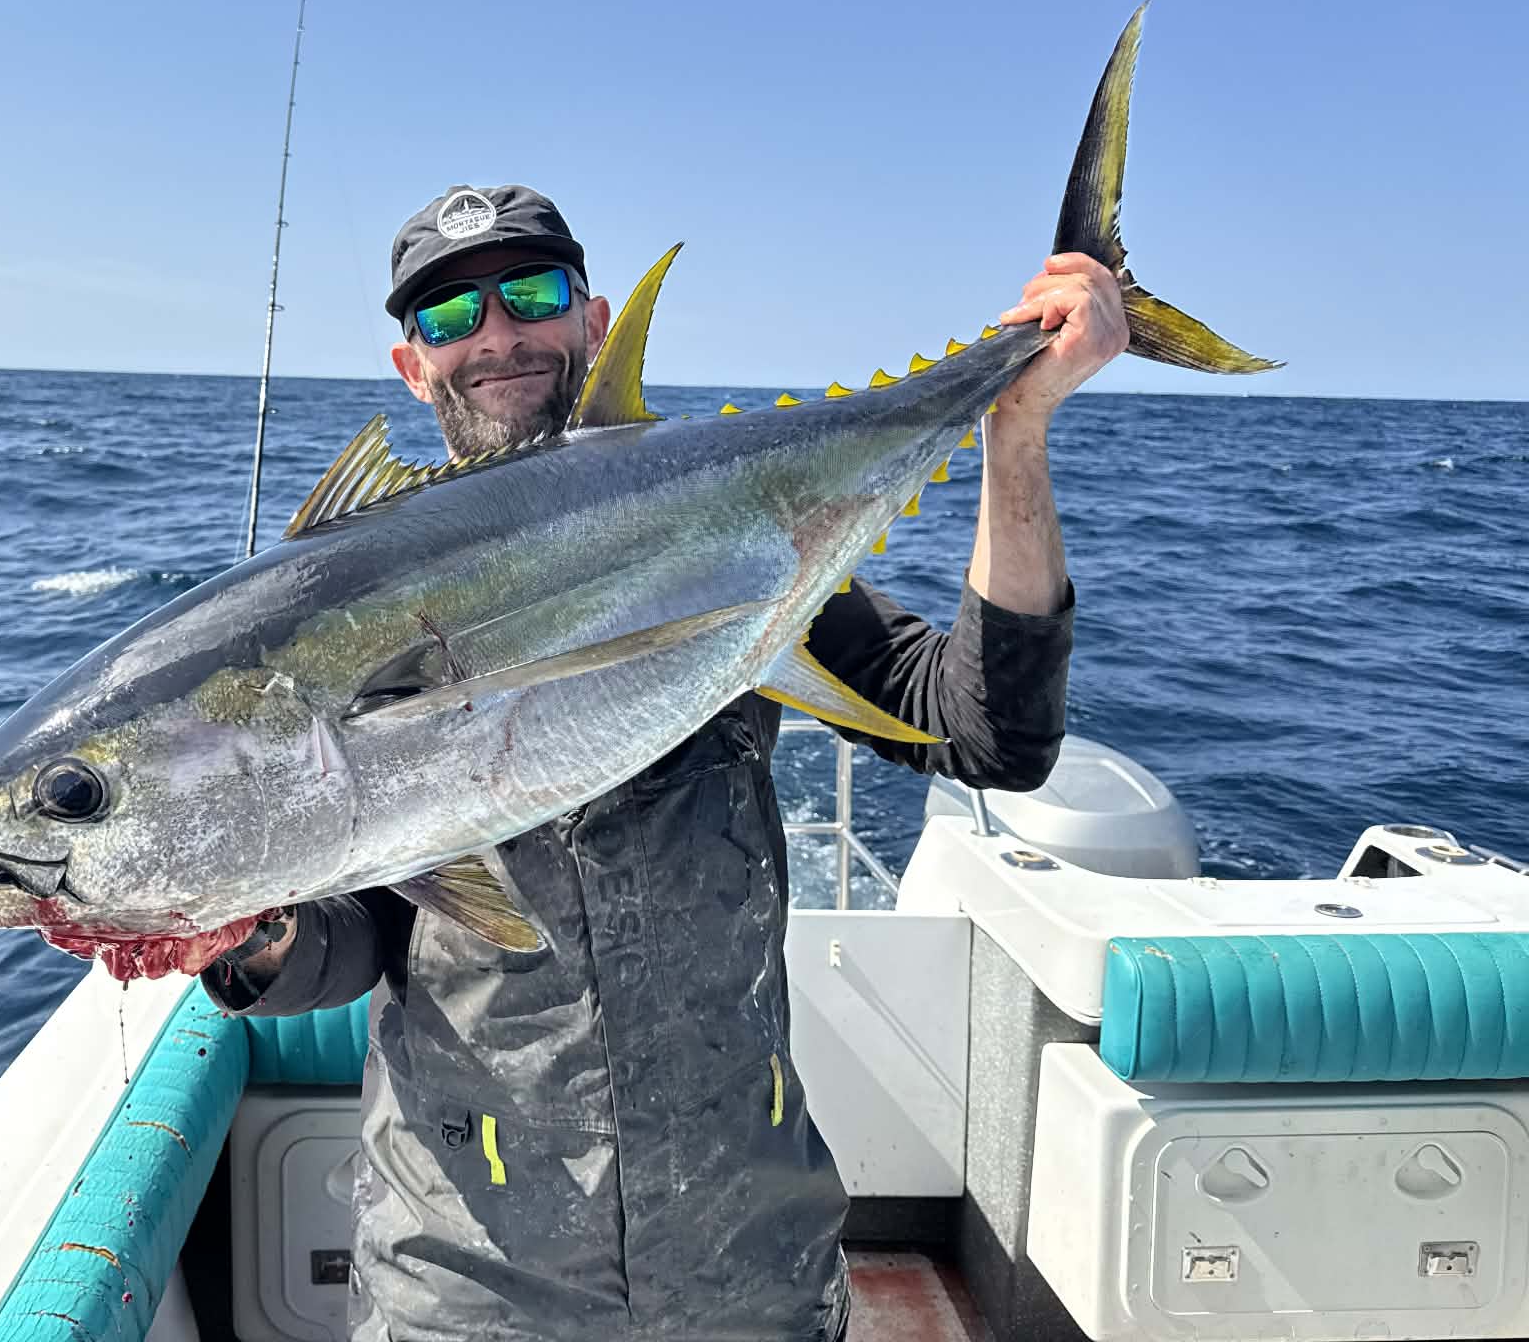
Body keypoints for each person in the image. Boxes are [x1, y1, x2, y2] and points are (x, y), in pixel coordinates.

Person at [199, 184, 1127, 1341]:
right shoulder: (350, 614)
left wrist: (1014, 429)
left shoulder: (717, 534)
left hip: (747, 1260)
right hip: (469, 1281)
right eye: (450, 316)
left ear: (593, 322)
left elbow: (986, 734)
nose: (496, 334)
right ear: (411, 365)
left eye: (530, 293)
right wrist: (250, 932)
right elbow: (353, 941)